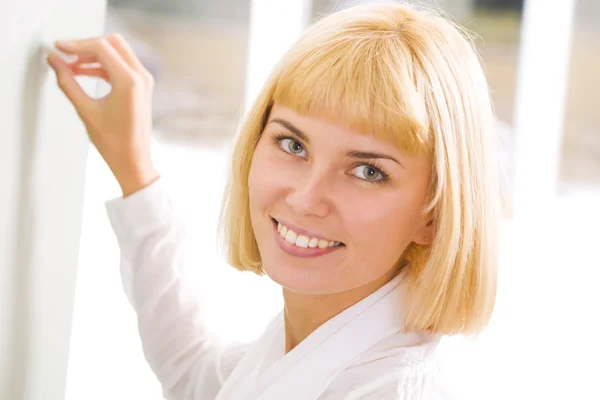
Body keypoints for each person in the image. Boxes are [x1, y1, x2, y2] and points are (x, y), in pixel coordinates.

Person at [47, 2, 501, 399]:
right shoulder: (313, 340)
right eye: (293, 145)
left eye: (368, 171)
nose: (306, 199)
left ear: (436, 214)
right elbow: (197, 379)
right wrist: (133, 165)